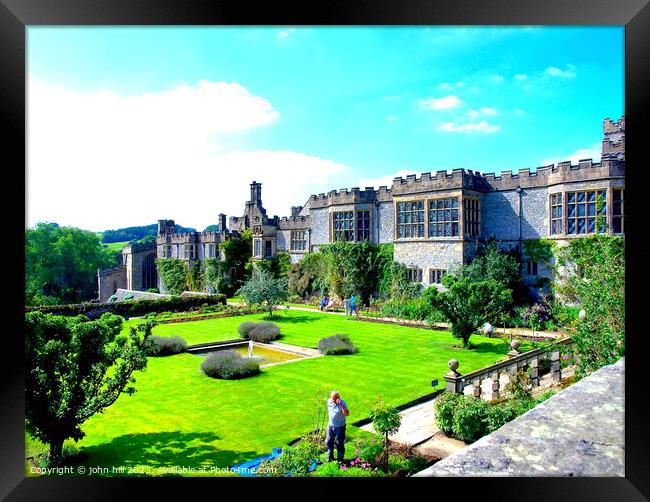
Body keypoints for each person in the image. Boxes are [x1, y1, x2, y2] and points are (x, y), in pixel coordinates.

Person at [326, 390, 349, 462]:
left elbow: (347, 414)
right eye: (333, 398)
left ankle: (340, 458)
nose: (334, 400)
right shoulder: (329, 401)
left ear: (339, 398)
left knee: (339, 443)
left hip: (340, 426)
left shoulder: (342, 403)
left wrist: (341, 405)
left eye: (336, 398)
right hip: (330, 425)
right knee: (329, 441)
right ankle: (330, 457)